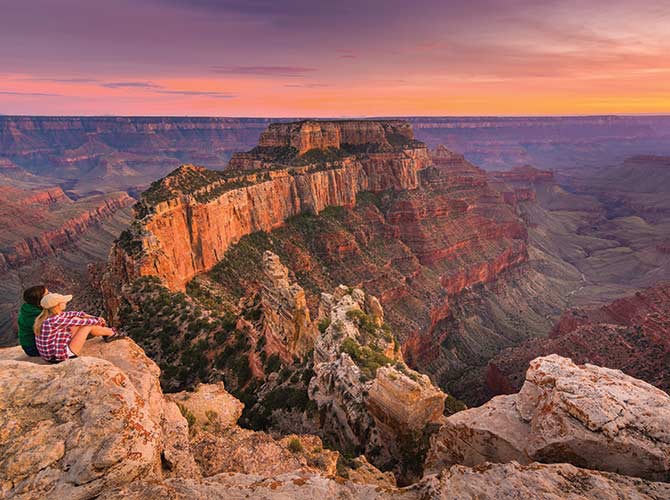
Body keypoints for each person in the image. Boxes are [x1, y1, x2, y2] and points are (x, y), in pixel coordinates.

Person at [34, 292, 126, 363]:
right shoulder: (54, 320)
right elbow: (83, 322)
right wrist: (98, 321)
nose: (66, 302)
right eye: (63, 301)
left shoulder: (47, 316)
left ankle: (108, 333)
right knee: (87, 326)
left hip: (50, 354)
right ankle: (111, 333)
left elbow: (74, 314)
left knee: (75, 318)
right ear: (57, 305)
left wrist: (94, 317)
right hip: (59, 357)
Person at [17, 285, 48, 357]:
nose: (50, 295)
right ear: (39, 299)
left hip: (28, 346)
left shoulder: (28, 308)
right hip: (32, 348)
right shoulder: (36, 315)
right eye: (47, 294)